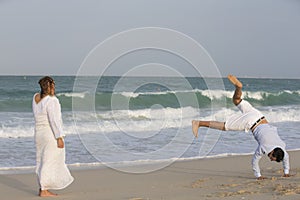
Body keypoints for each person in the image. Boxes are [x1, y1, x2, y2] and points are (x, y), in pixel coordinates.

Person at [192, 75, 290, 180]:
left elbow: (286, 157)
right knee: (224, 126)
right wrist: (258, 176)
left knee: (237, 100)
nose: (271, 160)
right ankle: (198, 123)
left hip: (259, 116)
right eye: (272, 158)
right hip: (251, 122)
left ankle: (238, 88)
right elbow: (254, 160)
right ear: (273, 152)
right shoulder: (264, 148)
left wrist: (286, 172)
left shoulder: (282, 146)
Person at [32, 76, 74, 197]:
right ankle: (44, 190)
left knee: (40, 161)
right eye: (53, 85)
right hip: (49, 134)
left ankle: (42, 187)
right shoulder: (52, 100)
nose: (54, 88)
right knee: (48, 161)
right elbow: (54, 121)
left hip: (38, 134)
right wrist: (59, 137)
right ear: (49, 87)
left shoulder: (35, 98)